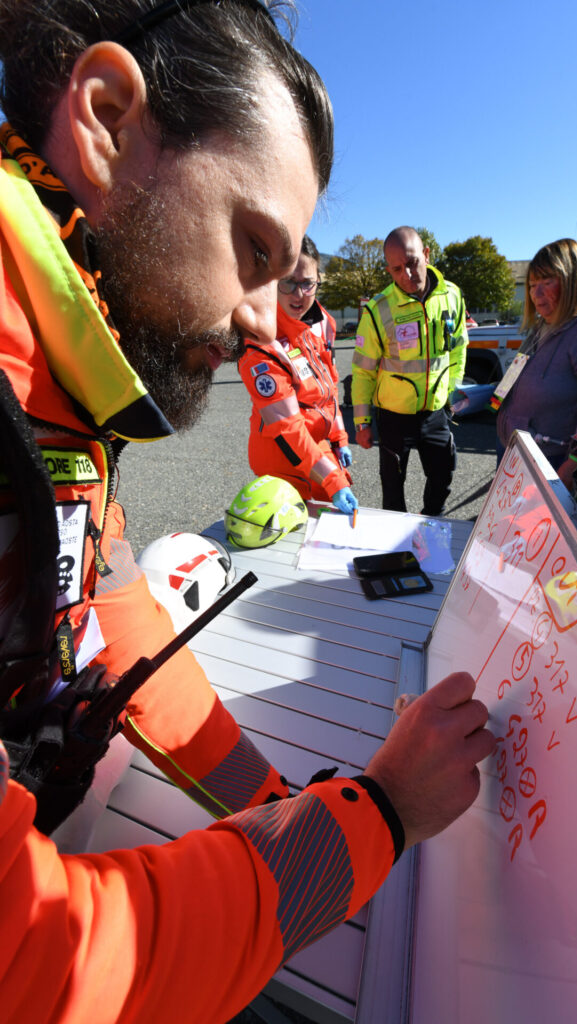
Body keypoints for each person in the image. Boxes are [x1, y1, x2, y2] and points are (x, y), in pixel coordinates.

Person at [0, 3, 495, 1022]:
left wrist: (281, 805)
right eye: (253, 248)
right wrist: (376, 815)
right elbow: (38, 961)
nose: (264, 320)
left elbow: (110, 619)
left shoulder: (51, 377)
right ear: (103, 122)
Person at [351, 226, 469, 516]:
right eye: (397, 268)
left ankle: (430, 532)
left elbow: (459, 347)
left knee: (442, 480)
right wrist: (362, 422)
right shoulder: (378, 310)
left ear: (426, 255)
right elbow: (363, 371)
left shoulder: (452, 296)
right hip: (393, 418)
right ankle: (397, 551)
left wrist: (452, 391)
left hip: (436, 413)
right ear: (389, 270)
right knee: (392, 492)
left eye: (413, 262)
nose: (407, 274)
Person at [238, 234, 358, 513]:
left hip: (318, 446)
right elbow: (287, 429)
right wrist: (332, 480)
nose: (298, 294)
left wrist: (339, 439)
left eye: (307, 283)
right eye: (288, 282)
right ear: (271, 282)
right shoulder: (261, 344)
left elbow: (330, 389)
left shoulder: (322, 323)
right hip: (282, 461)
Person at [495, 238, 577, 488]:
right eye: (532, 285)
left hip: (548, 464)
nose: (536, 294)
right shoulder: (542, 325)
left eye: (547, 282)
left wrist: (571, 466)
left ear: (573, 281)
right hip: (512, 449)